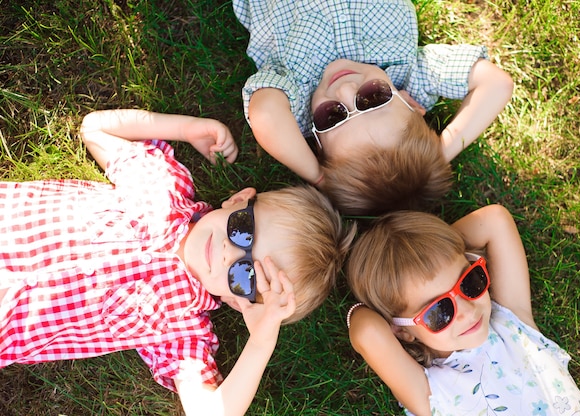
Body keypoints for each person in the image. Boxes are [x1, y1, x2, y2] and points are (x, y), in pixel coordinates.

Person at [0, 109, 355, 416]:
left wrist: (261, 342)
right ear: (237, 200)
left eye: (244, 275)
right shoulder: (163, 188)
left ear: (237, 302)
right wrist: (186, 129)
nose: (229, 253)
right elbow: (96, 129)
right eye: (243, 230)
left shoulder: (180, 328)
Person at [234, 0, 514, 215]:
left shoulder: (295, 97)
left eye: (332, 116)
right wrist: (437, 154)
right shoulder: (409, 73)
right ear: (412, 103)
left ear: (317, 145)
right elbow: (496, 84)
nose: (344, 89)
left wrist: (318, 176)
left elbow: (266, 115)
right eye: (373, 98)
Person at [345, 205, 580, 415]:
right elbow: (368, 330)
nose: (467, 310)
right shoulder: (430, 392)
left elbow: (495, 220)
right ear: (401, 331)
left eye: (469, 283)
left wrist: (438, 249)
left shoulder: (513, 325)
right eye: (439, 311)